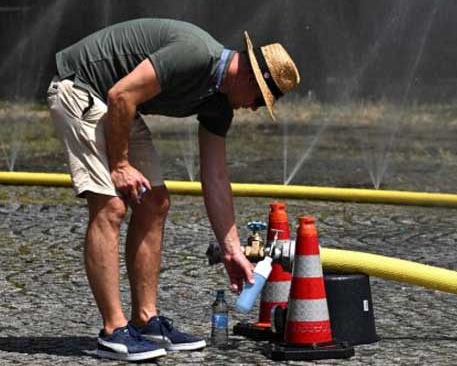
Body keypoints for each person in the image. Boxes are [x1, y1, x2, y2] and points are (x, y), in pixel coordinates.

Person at [45, 18, 300, 361]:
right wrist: (120, 167)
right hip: (81, 88)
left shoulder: (219, 104)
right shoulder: (195, 55)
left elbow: (215, 177)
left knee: (156, 202)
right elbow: (120, 94)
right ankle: (113, 331)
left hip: (119, 104)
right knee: (110, 207)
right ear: (249, 76)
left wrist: (232, 249)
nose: (254, 108)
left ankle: (145, 320)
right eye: (260, 98)